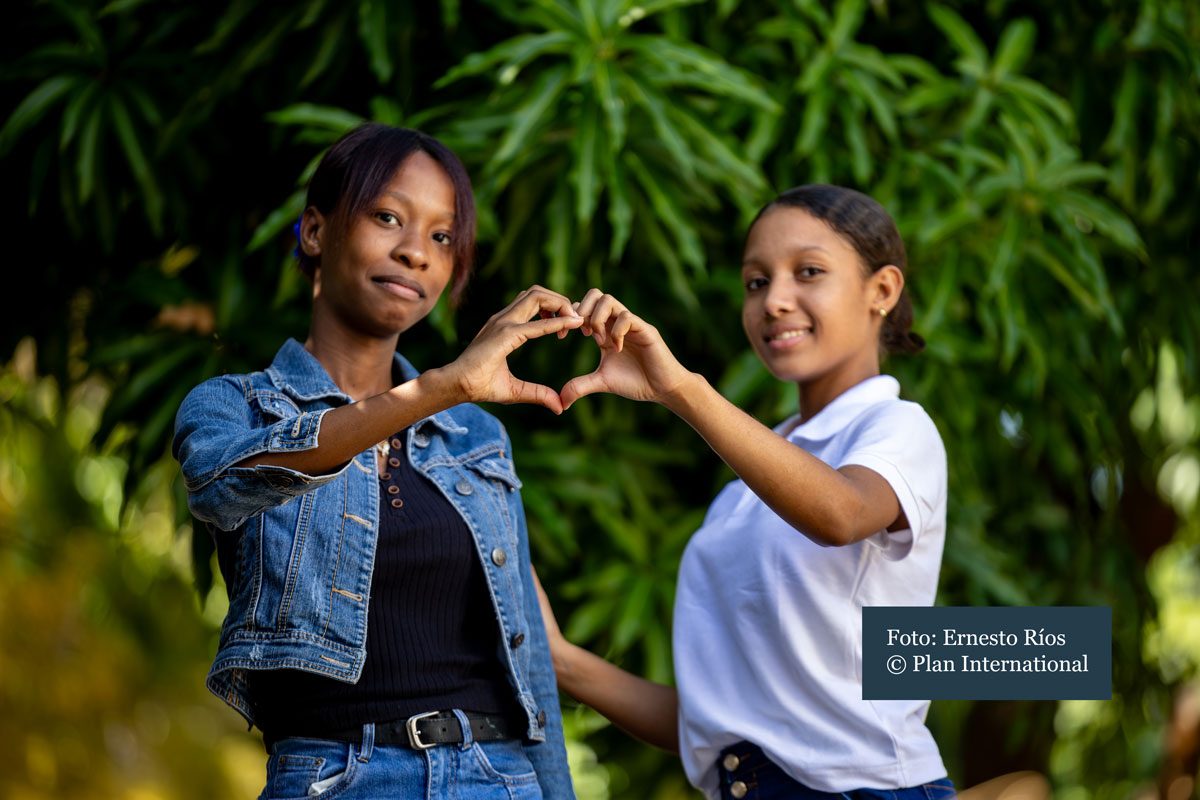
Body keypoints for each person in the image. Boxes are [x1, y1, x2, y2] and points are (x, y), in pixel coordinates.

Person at [173, 123, 580, 799]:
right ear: (314, 232)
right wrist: (439, 386)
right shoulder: (235, 408)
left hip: (496, 776)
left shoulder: (475, 436)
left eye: (442, 236)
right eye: (387, 217)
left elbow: (528, 664)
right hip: (338, 778)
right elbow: (222, 485)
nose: (415, 252)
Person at [533, 185, 956, 799]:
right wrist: (560, 659)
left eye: (808, 272)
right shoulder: (742, 498)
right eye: (756, 282)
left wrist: (680, 389)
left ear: (882, 291)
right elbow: (717, 721)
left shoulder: (895, 428)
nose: (775, 300)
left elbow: (841, 512)